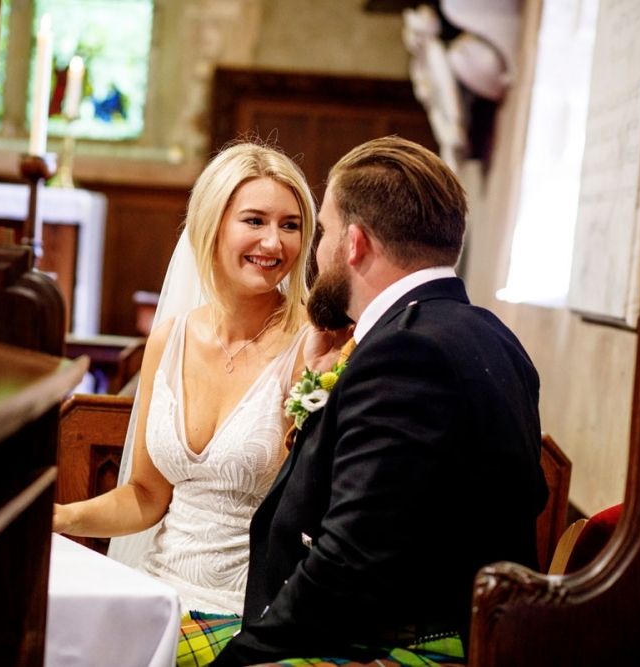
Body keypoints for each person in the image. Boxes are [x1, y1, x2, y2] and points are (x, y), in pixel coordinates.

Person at [208, 136, 549, 666]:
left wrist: (240, 659)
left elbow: (349, 562)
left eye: (321, 230)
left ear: (354, 243)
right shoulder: (488, 334)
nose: (315, 252)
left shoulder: (406, 352)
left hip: (396, 648)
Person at [54, 142, 316, 616]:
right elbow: (147, 496)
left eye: (290, 225)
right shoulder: (171, 338)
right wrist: (59, 517)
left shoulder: (312, 347)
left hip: (249, 611)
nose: (274, 243)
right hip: (157, 594)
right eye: (254, 221)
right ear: (212, 225)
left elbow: (308, 510)